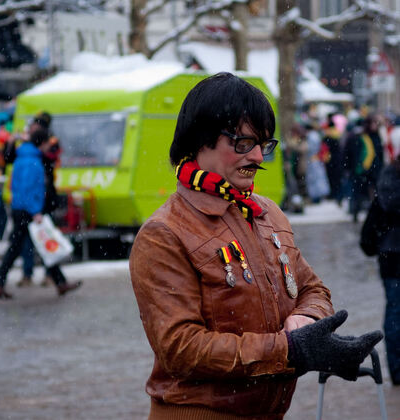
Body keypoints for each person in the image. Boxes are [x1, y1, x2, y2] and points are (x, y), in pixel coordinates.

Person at [129, 73, 383, 419]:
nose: (258, 157)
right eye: (244, 143)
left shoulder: (266, 212)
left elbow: (312, 288)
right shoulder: (164, 233)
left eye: (264, 144)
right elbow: (181, 349)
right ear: (200, 140)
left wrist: (307, 321)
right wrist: (291, 350)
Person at [0, 129, 81, 299]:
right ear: (42, 143)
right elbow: (29, 189)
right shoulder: (32, 161)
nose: (49, 147)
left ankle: (60, 282)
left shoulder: (24, 156)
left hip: (21, 208)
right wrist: (35, 212)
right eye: (48, 143)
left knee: (38, 244)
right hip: (28, 211)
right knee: (28, 245)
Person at [361, 151, 400, 385]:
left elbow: (370, 230)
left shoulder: (386, 184)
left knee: (395, 312)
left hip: (390, 258)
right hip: (392, 257)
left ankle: (396, 369)